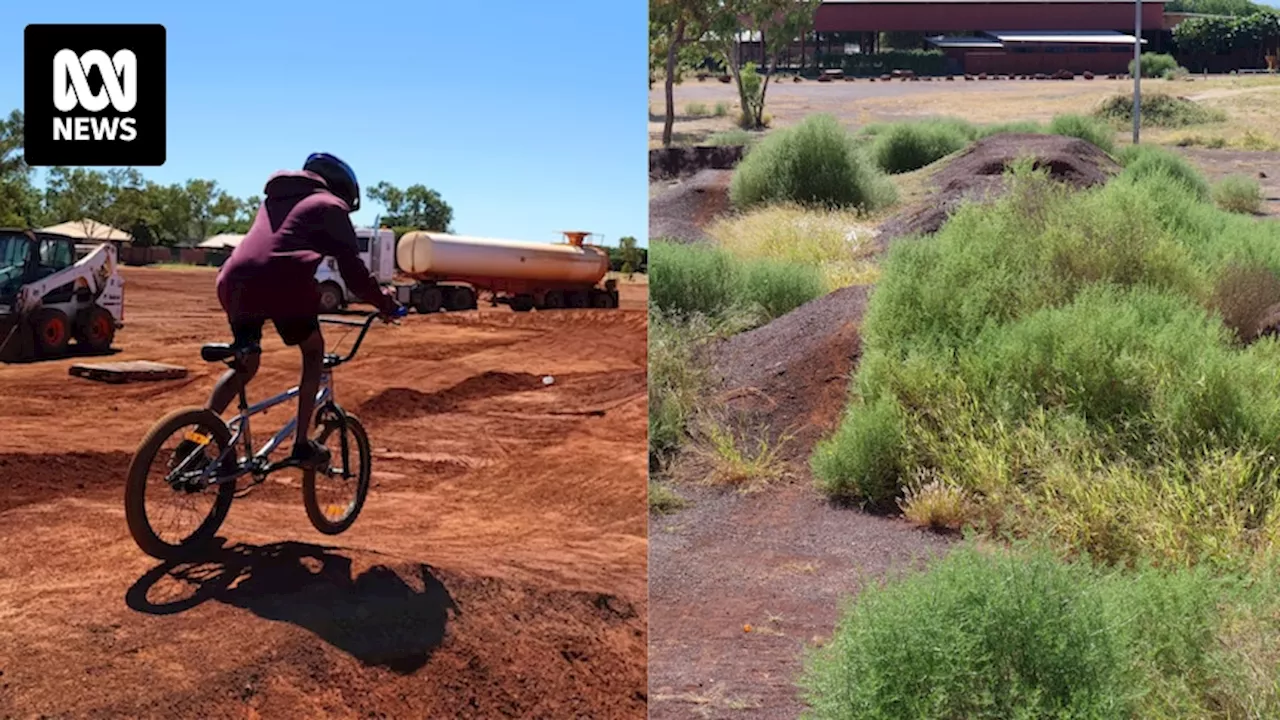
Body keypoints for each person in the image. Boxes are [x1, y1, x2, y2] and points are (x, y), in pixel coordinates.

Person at [195, 152, 401, 471]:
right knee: (313, 351)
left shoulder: (274, 201)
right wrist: (385, 303)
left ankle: (193, 443)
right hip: (282, 282)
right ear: (342, 189)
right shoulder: (330, 206)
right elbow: (354, 273)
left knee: (244, 364)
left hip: (233, 281)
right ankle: (302, 445)